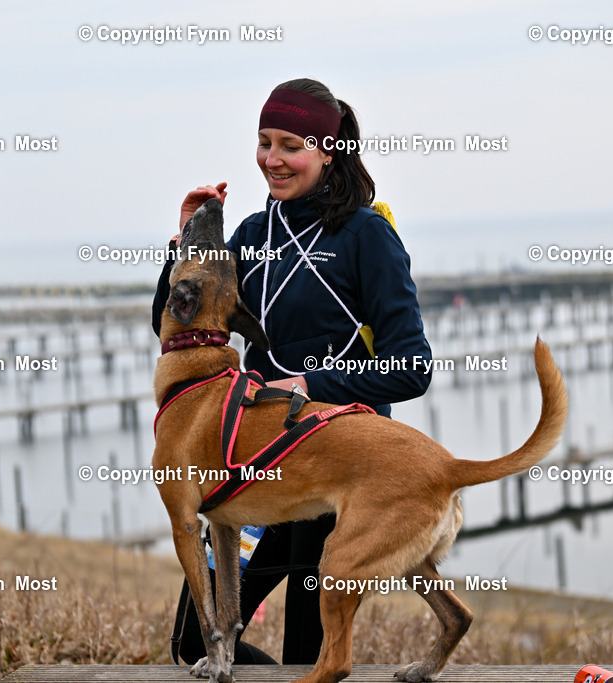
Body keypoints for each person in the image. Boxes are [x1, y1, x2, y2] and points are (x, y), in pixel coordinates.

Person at [151, 77, 432, 666]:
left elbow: (411, 368)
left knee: (311, 652)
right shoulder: (252, 234)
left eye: (291, 145)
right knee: (192, 642)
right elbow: (178, 326)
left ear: (328, 151)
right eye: (264, 143)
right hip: (251, 469)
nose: (272, 160)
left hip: (335, 468)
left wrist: (312, 384)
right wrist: (185, 242)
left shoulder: (367, 237)